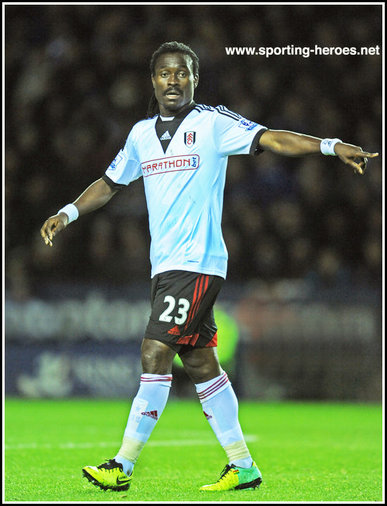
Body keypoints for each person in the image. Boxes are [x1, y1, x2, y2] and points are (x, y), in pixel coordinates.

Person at [40, 41, 378, 492]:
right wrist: (68, 212)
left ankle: (122, 464)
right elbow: (109, 182)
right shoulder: (141, 135)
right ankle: (243, 466)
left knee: (154, 352)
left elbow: (271, 137)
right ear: (153, 81)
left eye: (182, 73)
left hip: (197, 262)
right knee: (200, 365)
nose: (172, 80)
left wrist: (330, 146)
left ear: (195, 79)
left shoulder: (213, 123)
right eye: (164, 73)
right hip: (166, 265)